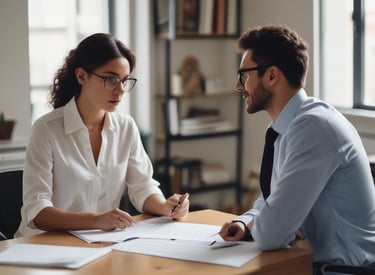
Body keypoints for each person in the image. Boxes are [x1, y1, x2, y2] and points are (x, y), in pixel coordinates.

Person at [219, 25, 375, 270]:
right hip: (313, 263)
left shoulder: (314, 129)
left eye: (244, 75)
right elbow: (270, 201)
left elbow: (270, 235)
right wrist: (246, 222)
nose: (239, 86)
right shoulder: (289, 127)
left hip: (345, 270)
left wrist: (273, 224)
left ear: (272, 75)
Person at [16, 33, 189, 237]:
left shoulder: (126, 127)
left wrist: (166, 206)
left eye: (124, 81)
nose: (120, 90)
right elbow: (37, 211)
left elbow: (142, 187)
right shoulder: (46, 129)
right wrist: (95, 220)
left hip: (98, 243)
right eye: (110, 79)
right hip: (41, 246)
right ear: (81, 76)